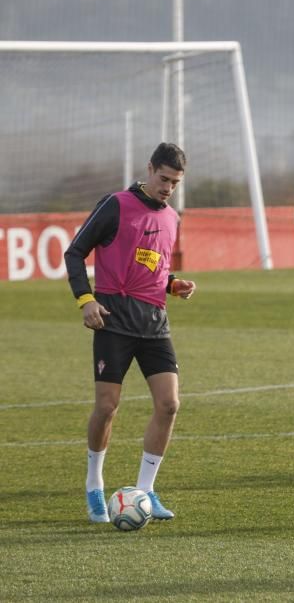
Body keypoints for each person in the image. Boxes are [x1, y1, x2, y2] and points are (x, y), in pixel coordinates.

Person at [64, 142, 196, 523]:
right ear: (150, 169)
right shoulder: (116, 204)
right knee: (107, 407)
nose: (168, 187)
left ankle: (146, 490)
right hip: (113, 320)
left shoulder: (173, 218)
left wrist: (173, 285)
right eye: (163, 178)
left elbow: (152, 266)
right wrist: (85, 299)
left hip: (154, 322)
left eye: (175, 182)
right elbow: (75, 252)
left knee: (169, 404)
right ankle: (94, 487)